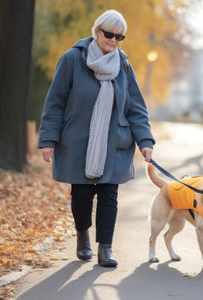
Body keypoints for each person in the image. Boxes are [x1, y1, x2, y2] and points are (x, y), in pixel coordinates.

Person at [38, 9, 154, 267]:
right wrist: (48, 139)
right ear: (97, 31)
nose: (113, 40)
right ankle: (82, 237)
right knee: (80, 195)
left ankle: (106, 249)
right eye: (109, 34)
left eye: (119, 36)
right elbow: (55, 101)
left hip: (115, 142)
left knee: (109, 195)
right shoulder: (72, 59)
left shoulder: (123, 64)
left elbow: (136, 106)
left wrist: (145, 141)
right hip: (77, 140)